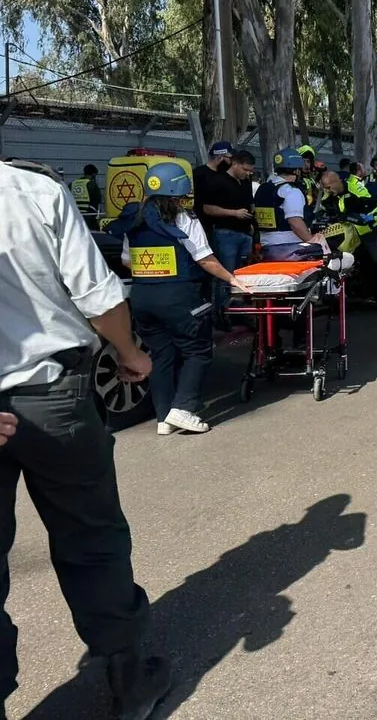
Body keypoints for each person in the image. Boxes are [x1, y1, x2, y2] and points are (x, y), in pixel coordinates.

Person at [0, 158, 170, 720]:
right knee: (91, 537)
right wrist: (130, 355)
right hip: (55, 398)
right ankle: (128, 680)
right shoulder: (30, 190)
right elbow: (99, 297)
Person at [107, 163, 249, 434]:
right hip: (180, 297)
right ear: (180, 190)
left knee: (162, 354)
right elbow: (204, 259)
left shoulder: (134, 219)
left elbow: (127, 260)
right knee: (198, 350)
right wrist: (232, 279)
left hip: (142, 297)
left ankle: (164, 417)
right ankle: (184, 408)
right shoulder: (184, 219)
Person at [203, 150, 257, 330]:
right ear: (235, 164)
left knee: (244, 274)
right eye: (246, 169)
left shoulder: (246, 182)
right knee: (225, 275)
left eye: (251, 171)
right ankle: (222, 313)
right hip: (226, 233)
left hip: (244, 233)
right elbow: (208, 208)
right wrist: (233, 213)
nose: (248, 174)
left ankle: (240, 311)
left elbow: (249, 204)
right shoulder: (217, 181)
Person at [254, 148, 325, 261]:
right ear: (297, 170)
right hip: (289, 248)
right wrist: (313, 241)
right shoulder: (291, 191)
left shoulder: (264, 188)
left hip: (266, 247)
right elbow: (295, 222)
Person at [193, 141, 234, 238]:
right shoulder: (199, 174)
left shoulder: (224, 175)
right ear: (220, 158)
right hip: (203, 224)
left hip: (223, 225)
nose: (231, 162)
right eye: (229, 158)